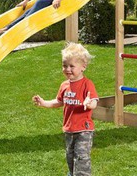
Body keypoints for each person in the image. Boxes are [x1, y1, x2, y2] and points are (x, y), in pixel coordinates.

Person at [32, 43, 98, 176]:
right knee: (70, 157)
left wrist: (89, 103)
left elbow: (94, 101)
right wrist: (44, 103)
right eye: (64, 65)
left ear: (83, 66)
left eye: (72, 66)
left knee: (81, 157)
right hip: (69, 129)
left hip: (84, 130)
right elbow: (59, 101)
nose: (67, 69)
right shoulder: (64, 85)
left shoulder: (87, 84)